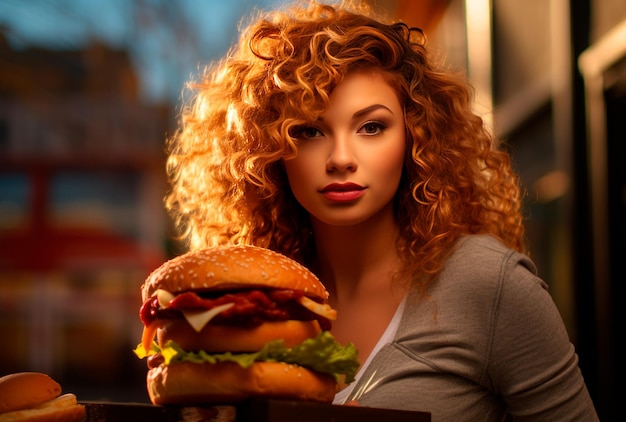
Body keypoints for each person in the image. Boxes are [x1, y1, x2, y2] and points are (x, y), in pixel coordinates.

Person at [163, 0, 599, 420]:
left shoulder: (489, 284)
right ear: (268, 152)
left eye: (371, 127)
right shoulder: (252, 306)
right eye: (310, 131)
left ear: (415, 137)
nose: (341, 158)